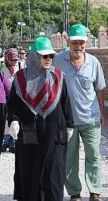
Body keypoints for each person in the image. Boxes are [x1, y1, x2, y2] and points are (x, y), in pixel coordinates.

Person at [7, 36, 74, 201]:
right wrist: (13, 120)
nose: (49, 59)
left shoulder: (58, 77)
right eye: (44, 56)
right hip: (29, 137)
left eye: (51, 56)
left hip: (54, 136)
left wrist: (70, 125)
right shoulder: (21, 78)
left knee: (53, 174)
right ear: (35, 57)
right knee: (30, 171)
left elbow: (66, 103)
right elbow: (13, 104)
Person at [53, 24, 106, 201]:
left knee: (94, 155)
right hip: (67, 121)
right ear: (68, 42)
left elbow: (99, 89)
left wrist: (101, 112)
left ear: (86, 42)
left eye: (82, 43)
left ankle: (95, 191)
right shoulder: (58, 61)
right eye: (75, 43)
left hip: (91, 118)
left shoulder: (94, 62)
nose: (78, 46)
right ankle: (74, 192)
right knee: (70, 158)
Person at [0, 48, 19, 153]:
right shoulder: (1, 68)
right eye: (11, 60)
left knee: (15, 119)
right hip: (5, 98)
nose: (13, 62)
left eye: (15, 60)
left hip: (16, 97)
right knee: (5, 120)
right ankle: (6, 142)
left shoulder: (20, 67)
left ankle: (13, 143)